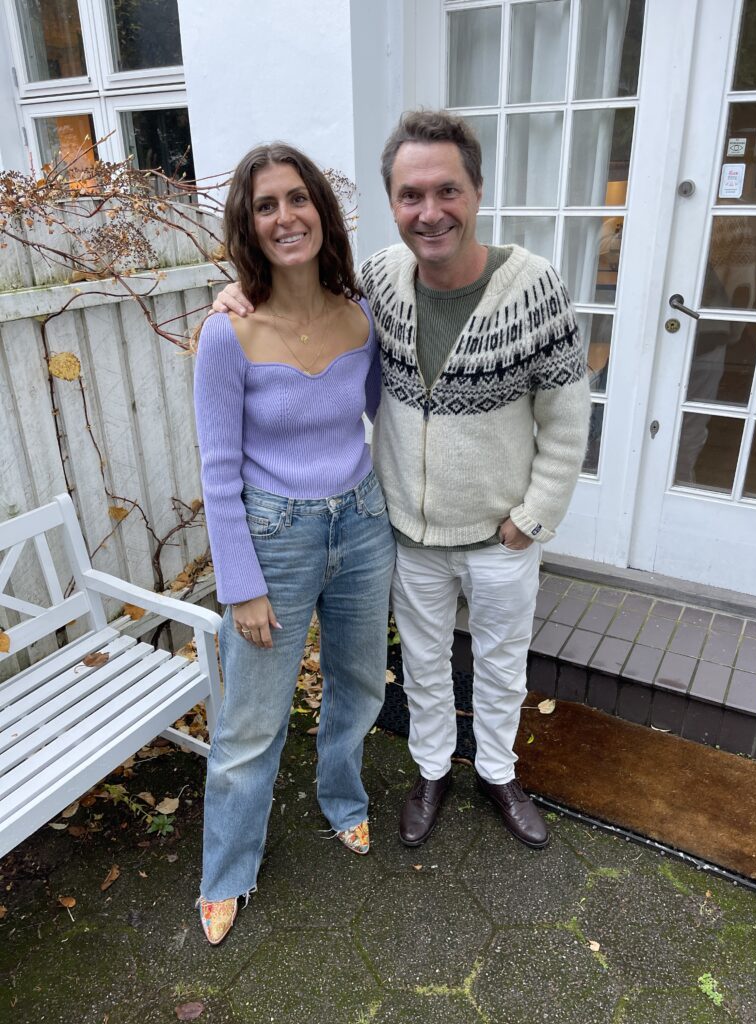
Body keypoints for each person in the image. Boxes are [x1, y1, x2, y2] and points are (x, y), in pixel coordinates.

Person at [214, 110, 590, 855]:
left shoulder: (534, 286)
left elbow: (568, 416)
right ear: (392, 202)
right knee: (421, 666)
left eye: (447, 190)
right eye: (410, 195)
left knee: (501, 664)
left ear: (476, 191)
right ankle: (431, 772)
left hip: (502, 535)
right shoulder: (381, 281)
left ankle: (498, 773)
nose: (430, 211)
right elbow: (303, 306)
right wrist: (237, 294)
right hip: (407, 534)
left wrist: (535, 515)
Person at [194, 142, 395, 945]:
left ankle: (342, 799)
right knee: (252, 719)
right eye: (265, 205)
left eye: (297, 199)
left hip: (363, 523)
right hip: (274, 538)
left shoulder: (360, 315)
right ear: (249, 225)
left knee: (359, 683)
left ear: (322, 210)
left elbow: (382, 414)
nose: (286, 217)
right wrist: (239, 583)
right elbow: (218, 471)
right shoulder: (229, 333)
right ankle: (226, 870)